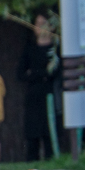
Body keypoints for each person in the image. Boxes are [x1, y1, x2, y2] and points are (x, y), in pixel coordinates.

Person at [17, 11, 61, 160]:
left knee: (49, 128)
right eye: (38, 24)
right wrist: (42, 72)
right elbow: (21, 74)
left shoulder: (56, 49)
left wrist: (35, 73)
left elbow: (55, 72)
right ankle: (31, 162)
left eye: (44, 24)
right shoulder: (29, 49)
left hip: (50, 95)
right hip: (33, 95)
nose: (40, 28)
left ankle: (51, 159)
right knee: (32, 131)